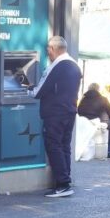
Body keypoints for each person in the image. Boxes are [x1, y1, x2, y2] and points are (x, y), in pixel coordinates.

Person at [31, 36, 82, 198]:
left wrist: (27, 88)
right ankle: (66, 182)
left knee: (54, 146)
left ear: (53, 49)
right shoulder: (75, 65)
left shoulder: (57, 65)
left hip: (55, 113)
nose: (47, 53)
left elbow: (39, 91)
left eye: (48, 50)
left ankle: (62, 184)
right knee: (64, 146)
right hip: (69, 111)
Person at [77, 83, 110, 156]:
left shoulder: (83, 99)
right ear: (98, 89)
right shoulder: (103, 99)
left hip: (85, 121)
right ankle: (108, 151)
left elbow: (79, 110)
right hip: (101, 120)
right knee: (109, 126)